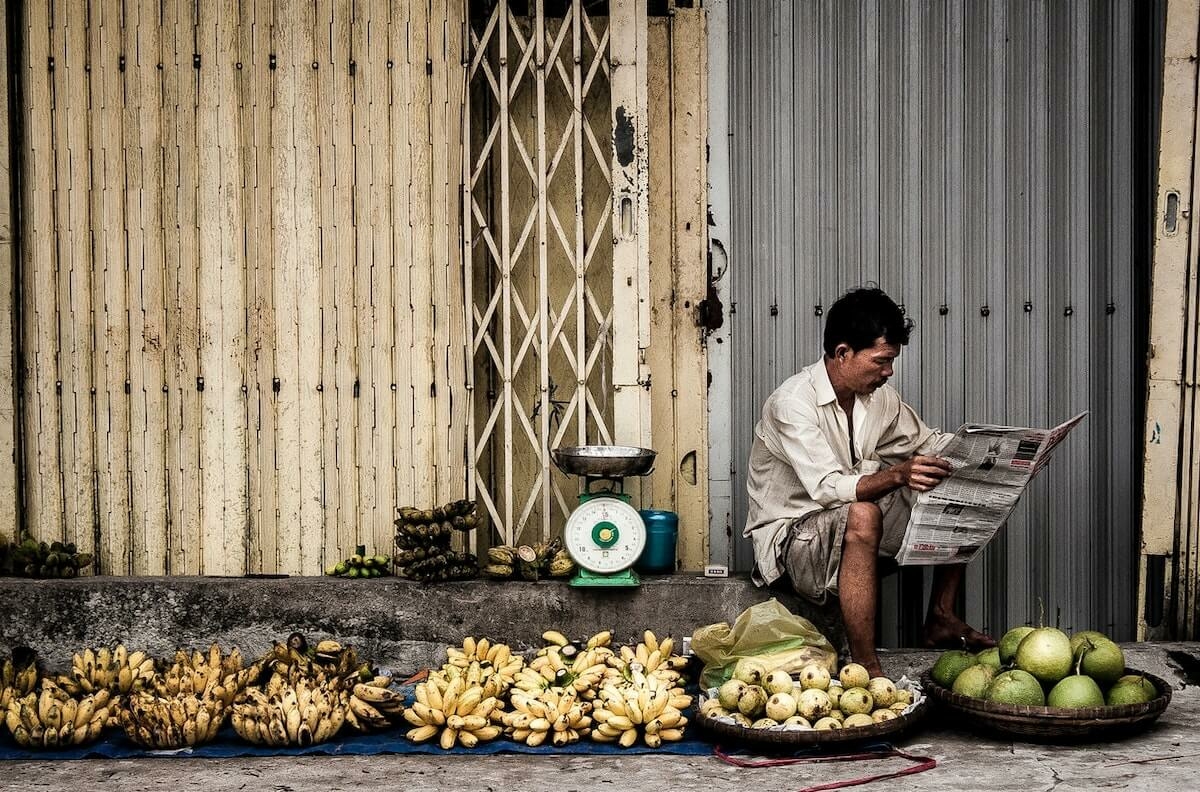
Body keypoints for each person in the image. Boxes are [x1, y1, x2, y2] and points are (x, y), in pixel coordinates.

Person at [743, 286, 994, 678]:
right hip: (792, 543)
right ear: (843, 353)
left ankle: (941, 616)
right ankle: (867, 667)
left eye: (891, 361)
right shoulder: (791, 403)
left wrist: (991, 454)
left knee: (948, 481)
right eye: (881, 360)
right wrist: (897, 474)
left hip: (845, 530)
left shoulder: (880, 398)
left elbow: (928, 444)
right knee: (863, 514)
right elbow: (828, 488)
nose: (889, 371)